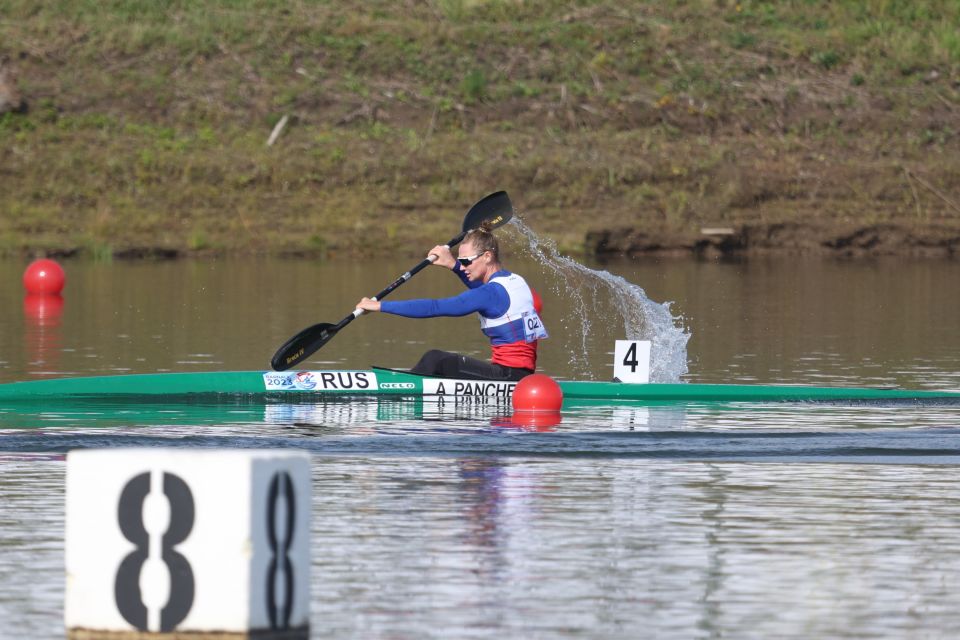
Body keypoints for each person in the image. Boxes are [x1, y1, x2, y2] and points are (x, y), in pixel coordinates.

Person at [356, 227, 547, 381]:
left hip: (508, 378)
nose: (463, 266)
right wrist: (452, 265)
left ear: (487, 256)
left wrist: (379, 306)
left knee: (435, 359)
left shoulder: (489, 293)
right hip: (523, 376)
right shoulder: (519, 284)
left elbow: (435, 307)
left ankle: (398, 390)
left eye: (466, 261)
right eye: (460, 262)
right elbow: (486, 296)